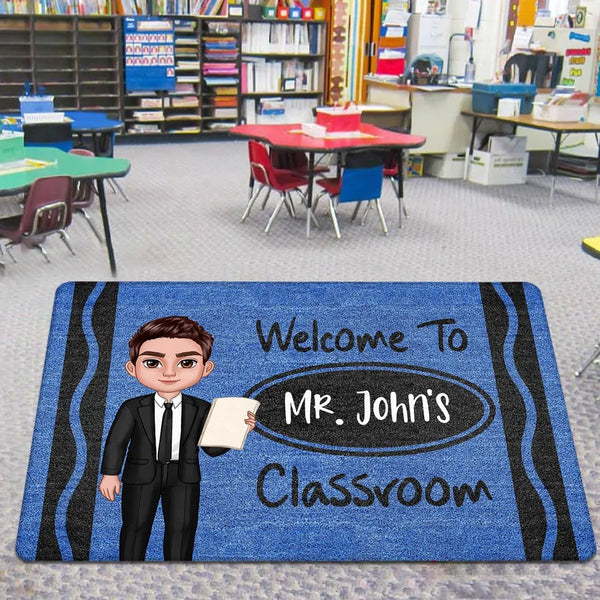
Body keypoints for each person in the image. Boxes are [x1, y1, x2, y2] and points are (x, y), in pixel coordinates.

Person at [98, 315, 256, 561]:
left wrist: (238, 431)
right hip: (140, 476)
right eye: (153, 363)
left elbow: (210, 448)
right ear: (132, 368)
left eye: (186, 363)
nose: (169, 372)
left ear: (205, 368)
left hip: (184, 477)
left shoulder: (202, 408)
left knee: (182, 529)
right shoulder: (131, 407)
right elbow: (116, 442)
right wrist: (110, 474)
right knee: (135, 526)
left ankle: (180, 569)